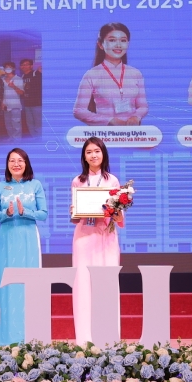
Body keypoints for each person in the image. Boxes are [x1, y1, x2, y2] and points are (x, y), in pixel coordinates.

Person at [0, 148, 47, 344]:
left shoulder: (35, 185)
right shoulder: (0, 186)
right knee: (7, 285)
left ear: (26, 163)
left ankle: (30, 337)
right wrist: (7, 212)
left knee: (30, 284)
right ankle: (5, 337)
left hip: (28, 237)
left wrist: (25, 212)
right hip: (7, 238)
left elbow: (43, 214)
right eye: (12, 160)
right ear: (7, 165)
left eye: (20, 160)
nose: (16, 164)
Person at [69, 136, 123, 345]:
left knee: (107, 285)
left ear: (103, 154)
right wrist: (74, 212)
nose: (93, 155)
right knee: (83, 286)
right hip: (84, 238)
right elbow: (75, 219)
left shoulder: (113, 181)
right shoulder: (78, 181)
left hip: (106, 237)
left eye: (97, 151)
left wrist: (116, 212)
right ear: (84, 156)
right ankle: (84, 339)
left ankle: (108, 337)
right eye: (89, 151)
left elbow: (118, 217)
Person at [72, 22, 149, 126]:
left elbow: (143, 106)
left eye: (123, 40)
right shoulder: (91, 75)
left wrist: (136, 117)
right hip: (106, 135)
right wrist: (109, 120)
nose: (118, 45)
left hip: (132, 134)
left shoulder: (135, 73)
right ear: (101, 45)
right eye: (112, 40)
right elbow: (79, 111)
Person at [1, 61, 25, 141]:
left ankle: (17, 141)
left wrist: (14, 86)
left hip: (15, 105)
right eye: (6, 67)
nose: (7, 69)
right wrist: (2, 102)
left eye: (9, 67)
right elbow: (2, 93)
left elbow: (22, 92)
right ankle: (11, 138)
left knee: (16, 124)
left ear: (13, 68)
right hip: (6, 106)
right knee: (8, 124)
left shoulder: (18, 79)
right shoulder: (2, 80)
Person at [20, 59, 42, 137]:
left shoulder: (36, 73)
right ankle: (34, 138)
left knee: (38, 122)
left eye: (26, 64)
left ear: (31, 66)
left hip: (37, 103)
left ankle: (40, 140)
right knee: (29, 122)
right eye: (22, 64)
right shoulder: (22, 76)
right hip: (27, 104)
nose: (24, 66)